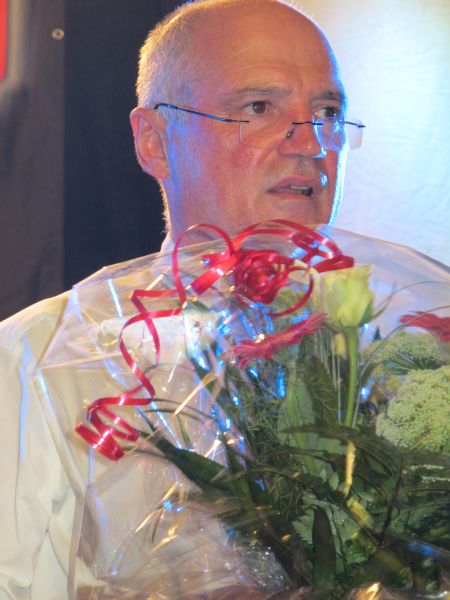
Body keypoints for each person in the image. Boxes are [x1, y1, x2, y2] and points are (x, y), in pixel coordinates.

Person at [0, 1, 364, 598]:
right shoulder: (37, 359)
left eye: (327, 112)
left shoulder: (391, 353)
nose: (310, 144)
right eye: (259, 107)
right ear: (155, 142)